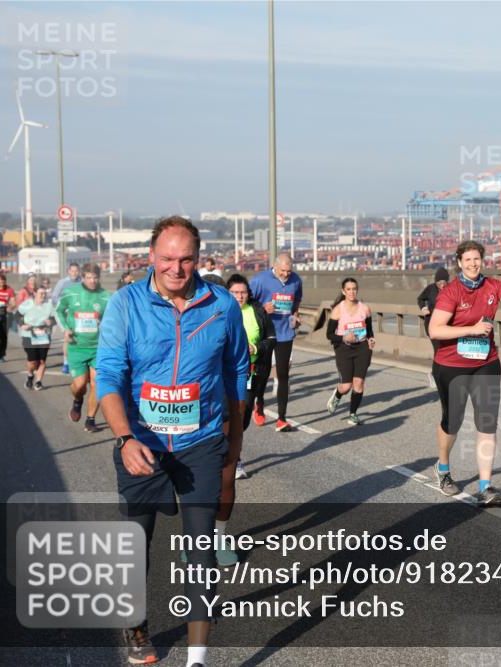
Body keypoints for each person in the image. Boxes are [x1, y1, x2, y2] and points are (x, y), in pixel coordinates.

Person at [96, 216, 248, 667]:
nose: (176, 269)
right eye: (167, 259)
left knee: (200, 551)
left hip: (200, 442)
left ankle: (197, 657)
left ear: (198, 259)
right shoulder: (126, 304)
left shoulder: (221, 305)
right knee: (135, 546)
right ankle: (136, 623)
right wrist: (124, 438)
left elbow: (236, 372)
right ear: (151, 258)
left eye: (185, 259)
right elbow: (108, 374)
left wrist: (235, 441)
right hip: (141, 441)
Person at [427, 241, 501, 507]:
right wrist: (471, 329)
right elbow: (435, 330)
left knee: (486, 423)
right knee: (452, 421)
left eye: (477, 259)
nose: (473, 264)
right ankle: (443, 468)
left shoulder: (493, 286)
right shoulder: (451, 292)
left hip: (486, 362)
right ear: (459, 262)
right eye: (468, 260)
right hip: (451, 364)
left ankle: (485, 486)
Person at [249, 252, 302, 432]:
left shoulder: (296, 280)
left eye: (289, 271)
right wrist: (262, 308)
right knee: (263, 374)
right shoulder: (260, 280)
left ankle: (281, 418)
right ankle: (260, 404)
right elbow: (246, 302)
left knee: (283, 374)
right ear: (275, 266)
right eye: (283, 271)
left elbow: (296, 303)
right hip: (266, 333)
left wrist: (296, 316)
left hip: (286, 333)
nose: (287, 274)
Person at [56, 264, 111, 433]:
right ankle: (78, 400)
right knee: (80, 385)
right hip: (77, 347)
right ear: (83, 277)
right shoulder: (71, 292)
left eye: (95, 277)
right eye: (88, 277)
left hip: (98, 347)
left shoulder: (106, 296)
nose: (92, 281)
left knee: (97, 384)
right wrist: (65, 328)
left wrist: (106, 324)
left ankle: (90, 419)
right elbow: (59, 310)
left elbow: (113, 319)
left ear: (99, 277)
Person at [226, 273, 275, 441]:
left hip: (249, 371)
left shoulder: (257, 310)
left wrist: (256, 348)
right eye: (235, 292)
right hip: (223, 371)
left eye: (243, 292)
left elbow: (271, 339)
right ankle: (227, 452)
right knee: (225, 413)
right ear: (228, 293)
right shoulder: (220, 310)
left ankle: (235, 450)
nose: (240, 296)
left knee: (244, 412)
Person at [325, 278, 376, 425]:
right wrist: (343, 337)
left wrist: (371, 339)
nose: (352, 292)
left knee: (359, 383)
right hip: (344, 348)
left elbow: (369, 330)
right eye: (348, 289)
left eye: (354, 289)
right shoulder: (338, 310)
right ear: (343, 291)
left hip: (362, 347)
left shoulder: (364, 308)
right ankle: (338, 394)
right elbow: (329, 334)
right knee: (346, 386)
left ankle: (353, 414)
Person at [16, 285, 55, 390]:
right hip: (29, 334)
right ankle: (30, 376)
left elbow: (54, 318)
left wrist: (51, 321)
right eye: (40, 293)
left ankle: (38, 382)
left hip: (44, 335)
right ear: (35, 294)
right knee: (33, 361)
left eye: (44, 293)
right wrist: (22, 324)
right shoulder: (28, 303)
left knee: (42, 361)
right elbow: (18, 315)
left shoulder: (49, 305)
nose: (43, 295)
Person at [417, 266, 450, 388]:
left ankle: (443, 374)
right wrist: (423, 308)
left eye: (443, 282)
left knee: (447, 350)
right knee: (439, 350)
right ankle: (434, 375)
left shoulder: (451, 289)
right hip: (431, 324)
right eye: (439, 282)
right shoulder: (431, 288)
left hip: (447, 325)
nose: (441, 285)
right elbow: (420, 299)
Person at [51, 263, 82, 374]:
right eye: (72, 271)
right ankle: (66, 363)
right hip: (65, 313)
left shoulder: (82, 282)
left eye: (76, 271)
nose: (74, 273)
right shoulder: (62, 282)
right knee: (67, 336)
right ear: (68, 271)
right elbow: (54, 297)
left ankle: (77, 360)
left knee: (79, 336)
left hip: (78, 314)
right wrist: (63, 307)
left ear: (79, 271)